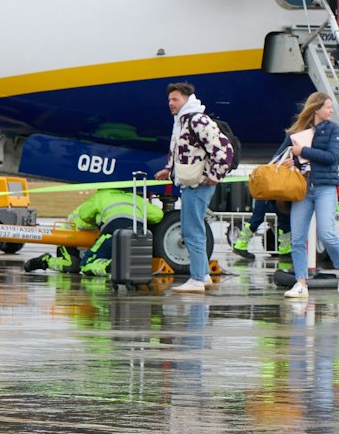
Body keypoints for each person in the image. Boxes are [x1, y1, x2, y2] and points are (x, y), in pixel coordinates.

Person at [153, 82, 229, 293]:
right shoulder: (181, 122)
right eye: (169, 100)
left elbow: (224, 149)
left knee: (192, 231)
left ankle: (197, 278)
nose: (171, 103)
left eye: (175, 99)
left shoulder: (198, 121)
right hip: (189, 183)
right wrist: (168, 170)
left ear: (187, 99)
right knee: (193, 230)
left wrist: (215, 175)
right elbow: (181, 151)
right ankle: (202, 275)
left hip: (198, 185)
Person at [281, 92, 339, 300]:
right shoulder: (300, 130)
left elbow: (331, 158)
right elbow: (296, 158)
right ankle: (301, 283)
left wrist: (303, 150)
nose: (331, 110)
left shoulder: (334, 130)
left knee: (327, 232)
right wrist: (291, 162)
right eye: (328, 107)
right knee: (297, 238)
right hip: (303, 187)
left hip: (325, 187)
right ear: (316, 109)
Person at [25, 186, 163, 276]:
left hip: (109, 236)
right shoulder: (137, 199)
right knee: (72, 265)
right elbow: (158, 215)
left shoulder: (101, 196)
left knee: (85, 265)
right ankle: (45, 261)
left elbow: (86, 214)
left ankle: (110, 267)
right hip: (73, 237)